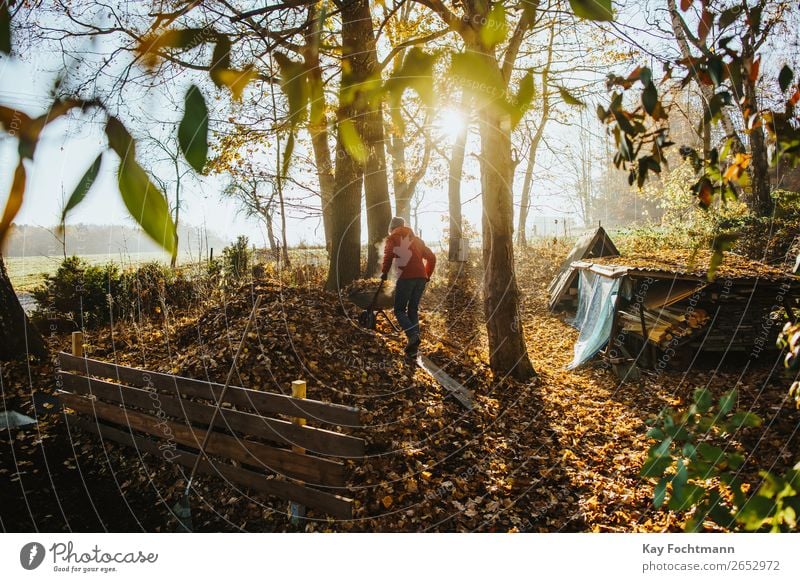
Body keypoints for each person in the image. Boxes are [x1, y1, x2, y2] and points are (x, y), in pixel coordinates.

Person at [380, 216, 436, 355]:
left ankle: (412, 336)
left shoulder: (393, 238)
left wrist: (384, 272)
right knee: (412, 310)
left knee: (399, 310)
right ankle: (413, 348)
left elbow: (387, 256)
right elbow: (432, 258)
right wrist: (427, 275)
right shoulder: (417, 240)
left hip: (406, 277)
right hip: (421, 278)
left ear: (391, 228)